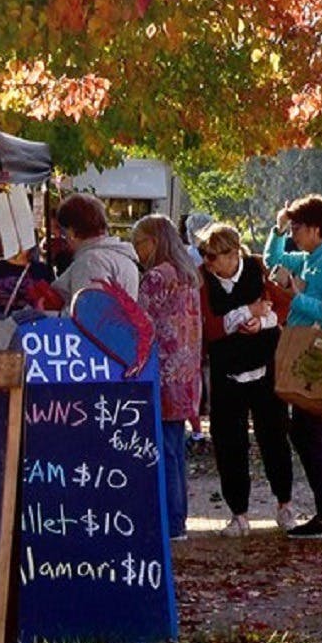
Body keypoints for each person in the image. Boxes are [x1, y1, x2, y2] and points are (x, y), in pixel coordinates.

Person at [263, 195, 322, 540]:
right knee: (306, 431)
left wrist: (292, 294)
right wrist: (278, 226)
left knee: (314, 432)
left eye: (297, 228)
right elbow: (273, 258)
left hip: (321, 359)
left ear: (315, 230)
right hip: (312, 356)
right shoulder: (315, 256)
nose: (294, 233)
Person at [197, 222, 296, 534]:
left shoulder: (257, 268)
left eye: (216, 257)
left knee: (275, 437)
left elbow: (284, 306)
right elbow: (211, 328)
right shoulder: (203, 279)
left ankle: (286, 504)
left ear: (232, 254)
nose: (211, 264)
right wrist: (244, 312)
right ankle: (238, 513)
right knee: (228, 443)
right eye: (207, 257)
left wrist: (262, 320)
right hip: (227, 374)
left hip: (265, 367)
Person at [130, 214, 203, 542]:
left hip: (161, 373)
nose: (137, 251)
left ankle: (172, 524)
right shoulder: (188, 275)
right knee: (175, 449)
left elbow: (141, 326)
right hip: (186, 372)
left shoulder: (156, 278)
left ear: (154, 241)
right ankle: (179, 519)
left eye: (139, 243)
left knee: (164, 450)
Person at [56, 195, 141, 299]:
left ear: (72, 231)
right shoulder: (123, 256)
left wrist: (45, 313)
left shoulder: (90, 261)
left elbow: (87, 309)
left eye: (64, 231)